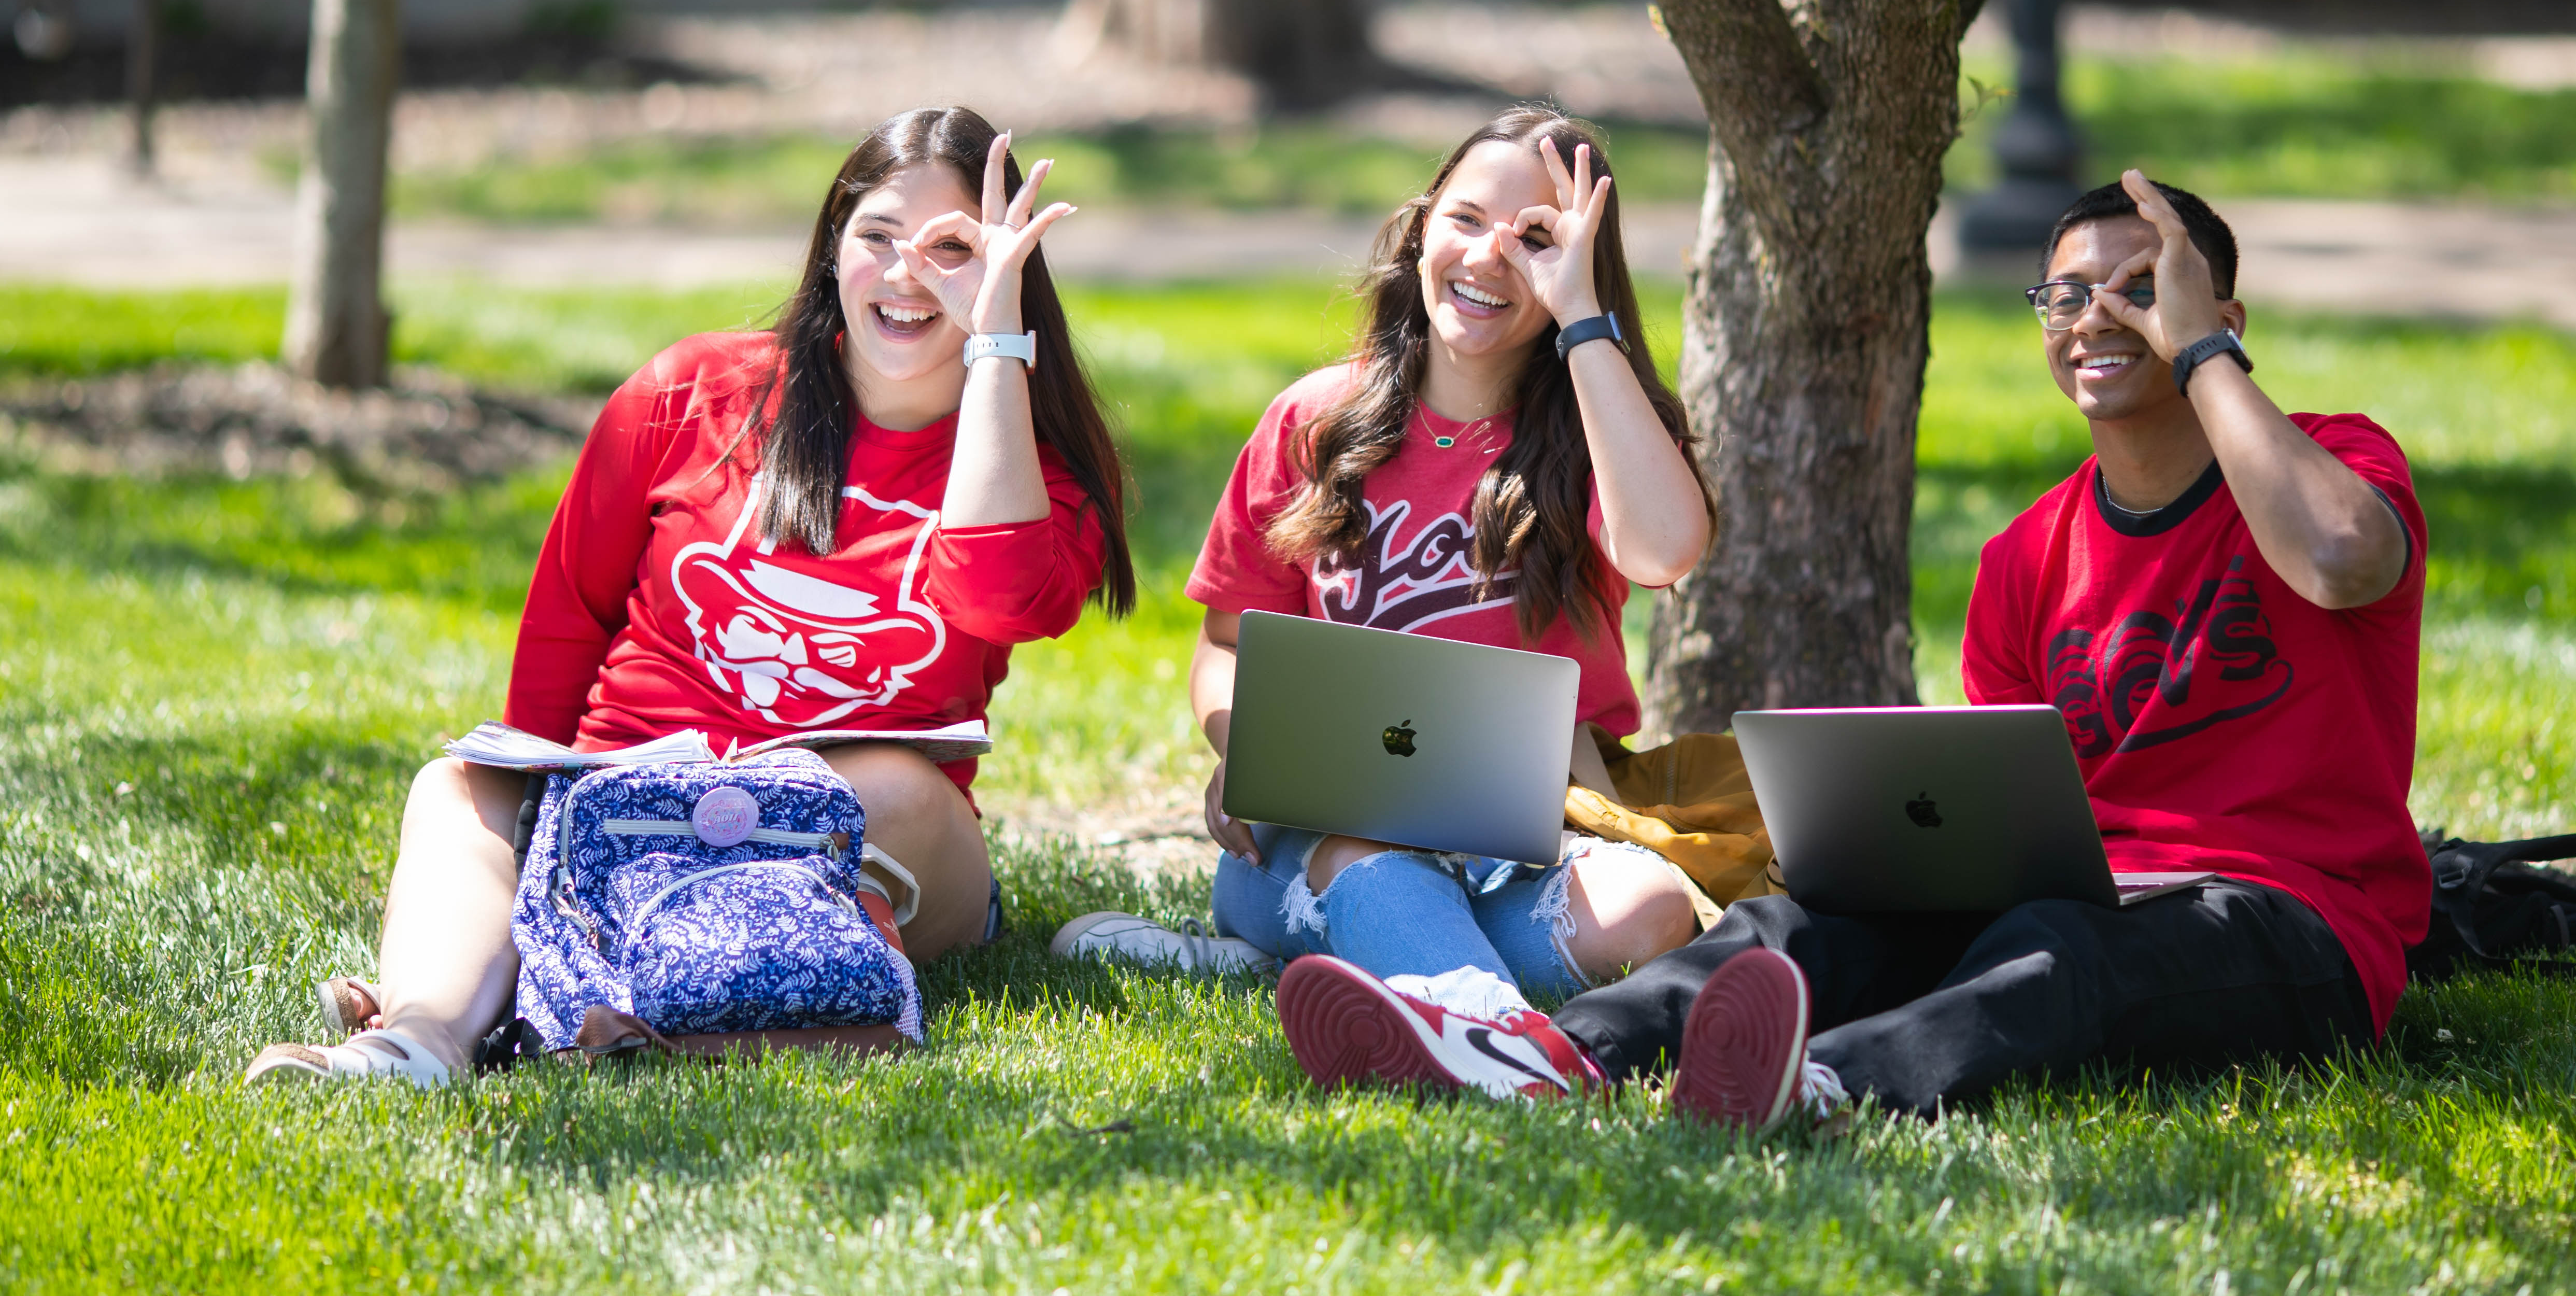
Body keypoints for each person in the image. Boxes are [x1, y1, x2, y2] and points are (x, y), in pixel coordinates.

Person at [1293, 168, 2430, 1119]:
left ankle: (1823, 1085)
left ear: (2217, 320)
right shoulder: (2026, 556)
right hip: (2088, 888)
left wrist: (2197, 354)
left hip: (2289, 913)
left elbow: (2341, 560)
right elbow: (2010, 818)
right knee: (1810, 919)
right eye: (2067, 293)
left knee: (2056, 955)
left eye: (2142, 292)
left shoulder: (2336, 463)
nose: (2097, 317)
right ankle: (1553, 1053)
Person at [243, 108, 1135, 1087]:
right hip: (627, 797)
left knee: (893, 792)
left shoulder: (1036, 469)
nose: (908, 273)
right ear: (831, 248)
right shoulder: (693, 389)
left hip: (852, 825)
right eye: (876, 236)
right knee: (459, 792)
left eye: (953, 247)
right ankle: (421, 1040)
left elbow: (1004, 599)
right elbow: (570, 611)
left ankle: (550, 975)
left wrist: (996, 344)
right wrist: (537, 791)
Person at [1058, 109, 1714, 1093]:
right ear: (1420, 234)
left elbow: (1666, 551)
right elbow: (1227, 642)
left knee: (1652, 912)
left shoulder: (1601, 426)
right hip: (1324, 832)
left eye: (1536, 238)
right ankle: (1504, 1051)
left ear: (1579, 264)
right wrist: (1244, 745)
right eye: (1466, 218)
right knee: (1374, 849)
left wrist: (1583, 324)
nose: (1490, 254)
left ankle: (1340, 969)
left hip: (1529, 834)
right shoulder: (1315, 419)